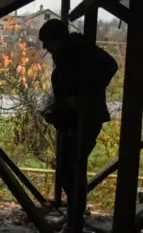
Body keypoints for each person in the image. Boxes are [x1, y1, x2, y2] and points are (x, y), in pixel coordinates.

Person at [38, 19, 118, 233]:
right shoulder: (66, 55)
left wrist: (82, 98)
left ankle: (75, 223)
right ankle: (72, 219)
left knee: (72, 171)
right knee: (67, 170)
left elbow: (111, 66)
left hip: (85, 120)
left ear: (58, 39)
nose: (45, 48)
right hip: (72, 120)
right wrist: (56, 107)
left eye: (47, 42)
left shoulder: (81, 51)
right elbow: (68, 87)